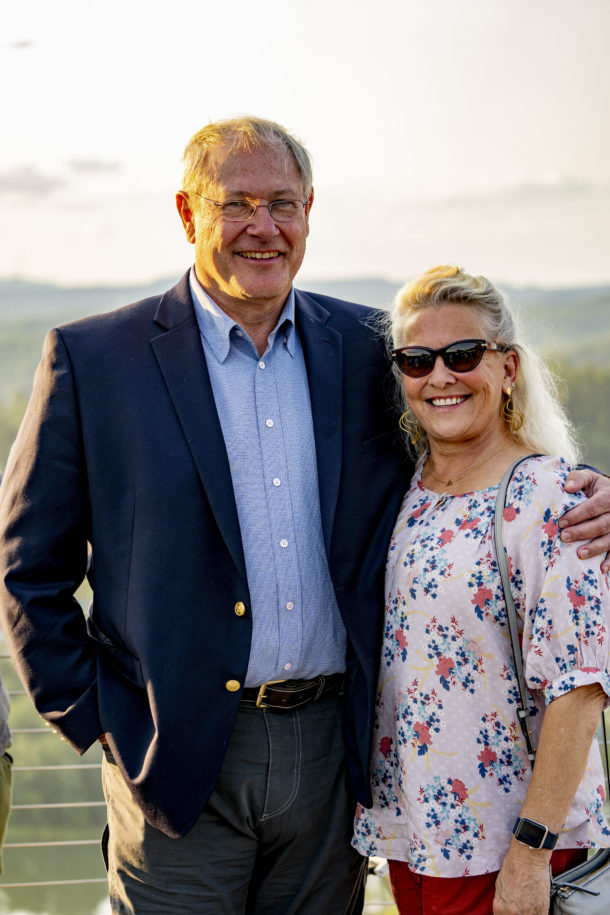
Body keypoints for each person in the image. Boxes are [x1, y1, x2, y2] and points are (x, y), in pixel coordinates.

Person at [0, 122, 608, 914]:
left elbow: (468, 445)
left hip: (333, 756)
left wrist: (585, 488)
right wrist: (104, 722)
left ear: (310, 211)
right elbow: (26, 566)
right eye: (237, 204)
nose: (264, 225)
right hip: (174, 757)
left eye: (282, 203)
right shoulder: (93, 360)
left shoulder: (370, 350)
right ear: (188, 214)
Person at [352, 265, 610, 915]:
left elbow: (580, 690)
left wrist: (530, 853)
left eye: (462, 354)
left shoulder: (553, 498)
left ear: (508, 367)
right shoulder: (406, 492)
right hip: (420, 840)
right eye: (416, 359)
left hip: (511, 848)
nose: (439, 376)